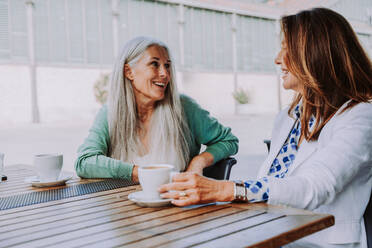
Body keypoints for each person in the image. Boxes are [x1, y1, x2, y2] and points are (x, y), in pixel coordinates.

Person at [159, 8, 372, 248]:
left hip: (320, 241)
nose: (278, 58)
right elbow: (270, 183)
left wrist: (225, 190)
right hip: (272, 232)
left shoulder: (361, 117)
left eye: (286, 48)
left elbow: (314, 187)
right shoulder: (288, 117)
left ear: (315, 53)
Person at [75, 36, 238, 182]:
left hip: (176, 208)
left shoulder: (184, 107)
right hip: (123, 208)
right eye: (154, 64)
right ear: (129, 72)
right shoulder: (110, 113)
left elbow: (228, 140)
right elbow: (84, 162)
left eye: (167, 66)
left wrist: (199, 161)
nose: (165, 74)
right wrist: (139, 173)